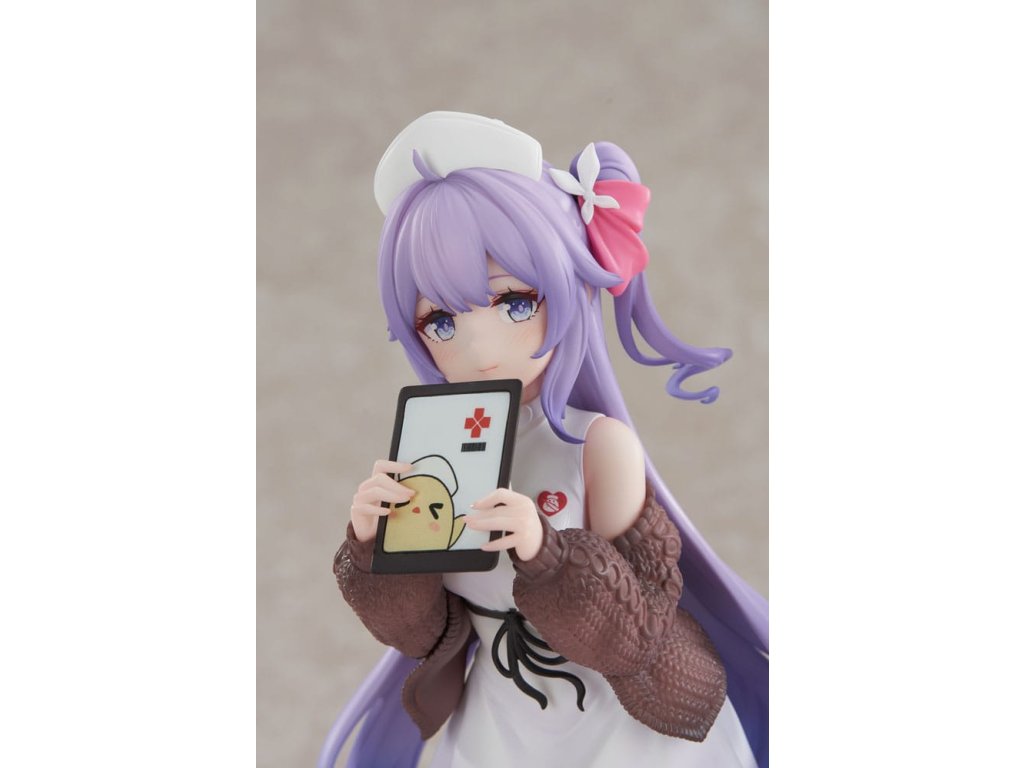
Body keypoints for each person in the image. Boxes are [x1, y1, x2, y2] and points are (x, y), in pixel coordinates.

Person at [319, 112, 767, 768]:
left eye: (515, 303)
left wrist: (548, 554)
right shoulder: (436, 444)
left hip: (618, 726)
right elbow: (420, 633)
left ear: (564, 290)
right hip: (497, 724)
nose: (479, 348)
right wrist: (374, 547)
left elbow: (643, 628)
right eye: (440, 321)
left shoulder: (597, 447)